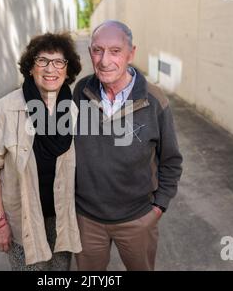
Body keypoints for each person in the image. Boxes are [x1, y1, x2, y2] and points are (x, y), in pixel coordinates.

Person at [73, 20, 183, 271]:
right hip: (87, 219)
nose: (104, 60)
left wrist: (158, 207)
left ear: (131, 53)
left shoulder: (154, 100)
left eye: (115, 51)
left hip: (137, 219)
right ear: (90, 52)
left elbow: (171, 160)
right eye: (97, 50)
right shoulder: (81, 91)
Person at [0, 32, 82, 270]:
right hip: (23, 220)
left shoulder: (73, 111)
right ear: (31, 67)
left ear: (67, 69)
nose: (50, 68)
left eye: (58, 62)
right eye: (42, 61)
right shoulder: (5, 109)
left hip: (62, 218)